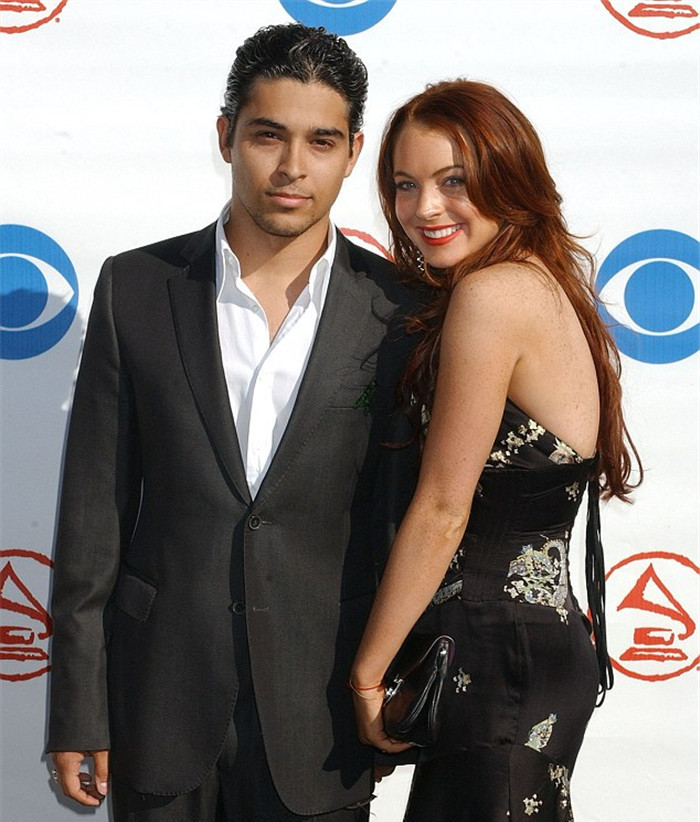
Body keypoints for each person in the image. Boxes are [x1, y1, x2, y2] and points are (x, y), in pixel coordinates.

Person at [46, 23, 417, 822]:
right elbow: (92, 516)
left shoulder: (398, 311)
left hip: (322, 716)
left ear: (354, 152)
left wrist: (399, 685)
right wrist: (77, 707)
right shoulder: (136, 287)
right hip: (158, 701)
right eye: (267, 135)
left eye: (321, 142)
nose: (292, 167)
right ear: (226, 137)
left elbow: (408, 517)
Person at [350, 80, 642, 821]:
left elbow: (443, 510)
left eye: (454, 181)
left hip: (496, 660)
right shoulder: (542, 284)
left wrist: (368, 676)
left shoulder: (494, 295)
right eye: (405, 185)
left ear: (510, 176)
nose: (425, 208)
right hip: (518, 652)